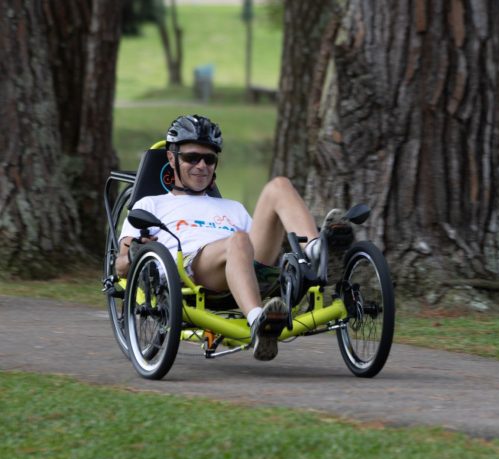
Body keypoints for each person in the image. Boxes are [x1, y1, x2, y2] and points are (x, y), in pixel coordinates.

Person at [116, 114, 346, 362]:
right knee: (238, 240)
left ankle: (316, 252)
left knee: (279, 186)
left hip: (248, 267)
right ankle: (258, 321)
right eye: (192, 158)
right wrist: (137, 253)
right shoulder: (151, 204)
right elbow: (120, 266)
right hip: (195, 271)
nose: (201, 166)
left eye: (209, 159)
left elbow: (254, 246)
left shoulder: (232, 206)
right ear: (172, 158)